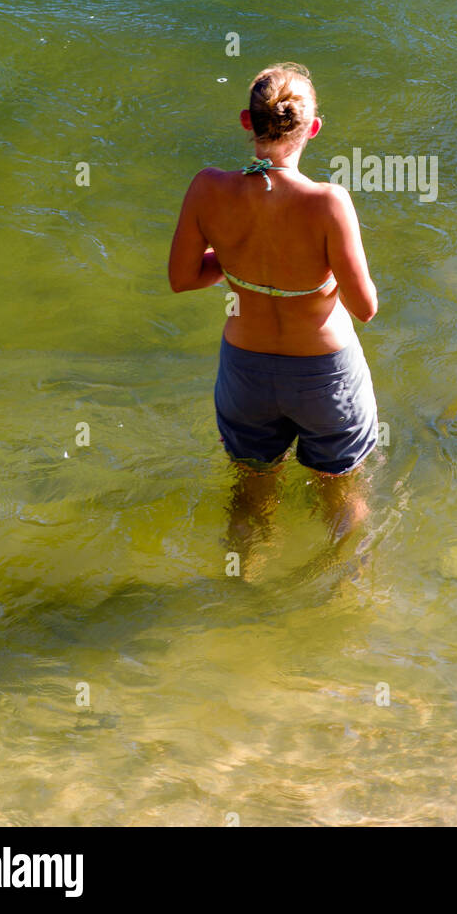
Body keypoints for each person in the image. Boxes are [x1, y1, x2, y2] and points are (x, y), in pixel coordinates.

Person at [168, 63, 378, 550]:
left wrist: (235, 256)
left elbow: (183, 279)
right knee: (340, 493)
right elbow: (364, 306)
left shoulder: (207, 187)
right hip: (324, 373)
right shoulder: (329, 201)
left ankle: (242, 587)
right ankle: (345, 591)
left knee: (250, 493)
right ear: (314, 128)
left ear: (248, 121)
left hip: (247, 371)